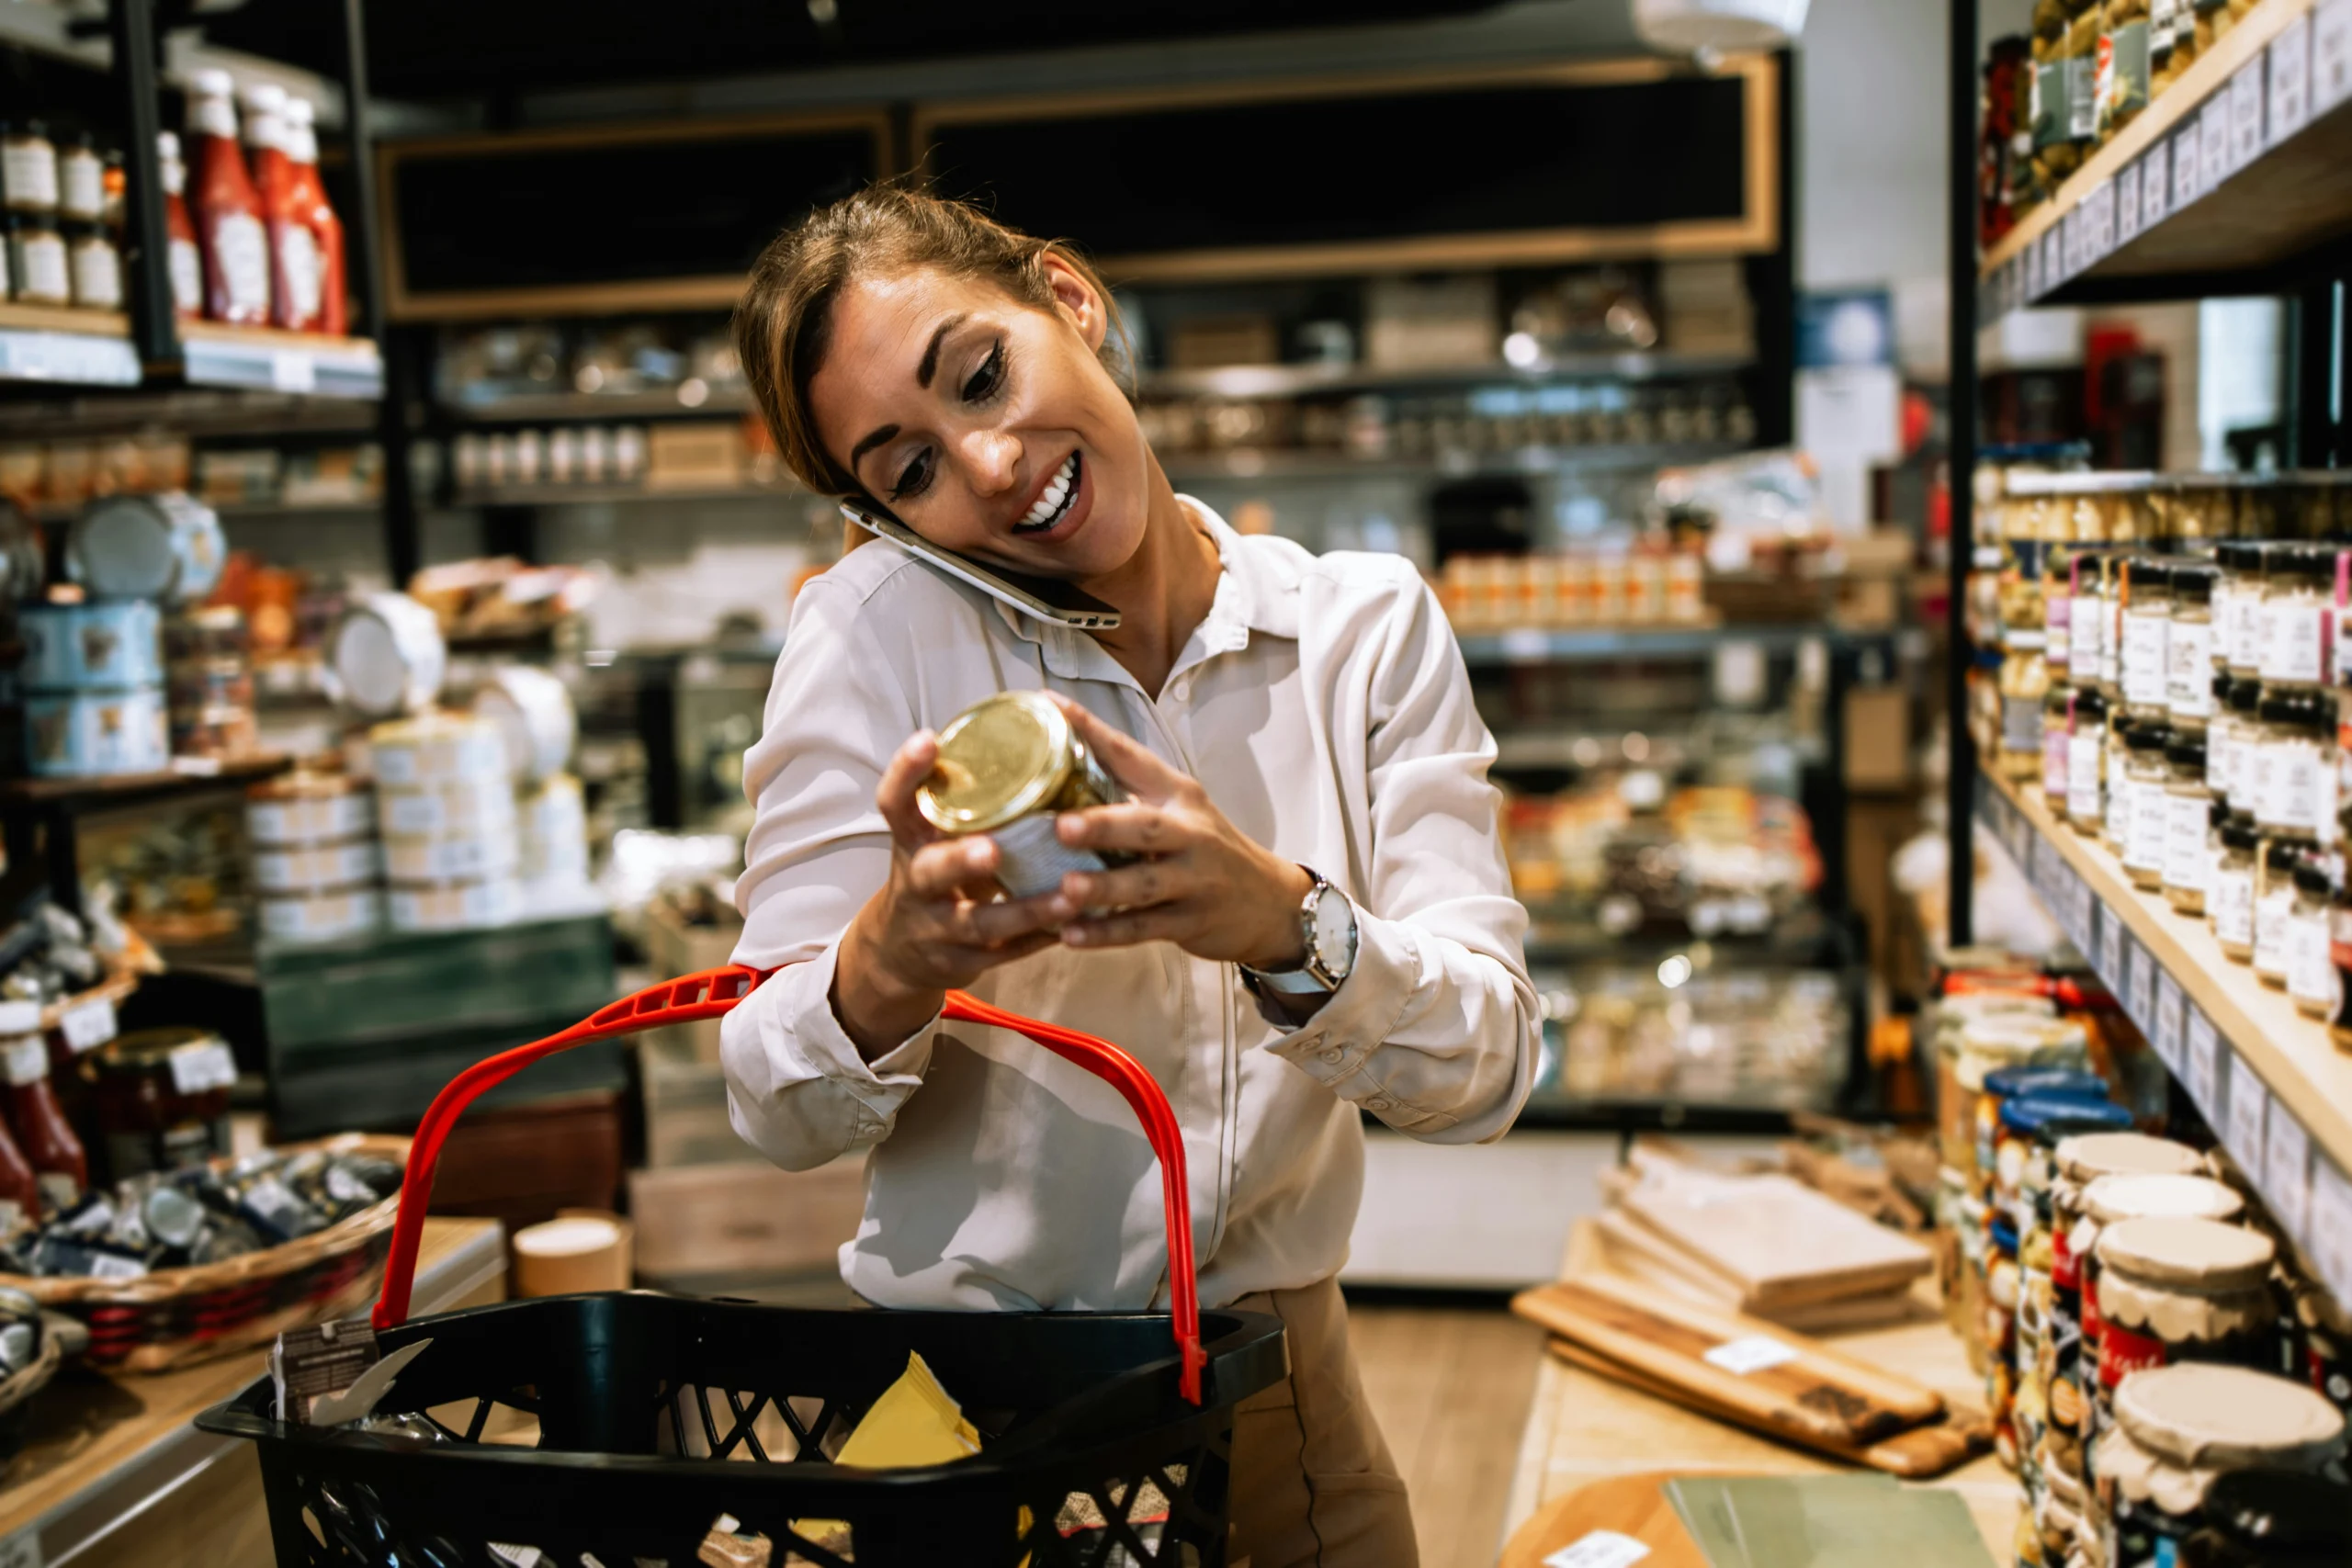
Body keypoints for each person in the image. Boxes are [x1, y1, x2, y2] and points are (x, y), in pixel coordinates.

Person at [722, 183, 1537, 1567]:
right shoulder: (870, 636)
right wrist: (896, 954)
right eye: (906, 467)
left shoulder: (1359, 632)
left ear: (1070, 302)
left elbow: (1489, 1067)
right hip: (973, 1427)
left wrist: (1285, 923)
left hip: (1277, 1395)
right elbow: (769, 1097)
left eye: (981, 375)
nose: (985, 465)